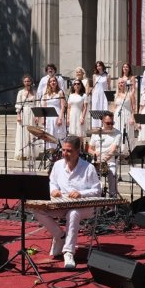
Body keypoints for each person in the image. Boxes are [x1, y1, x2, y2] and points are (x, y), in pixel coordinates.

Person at [32, 136, 101, 269]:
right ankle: (61, 236)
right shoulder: (58, 165)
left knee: (73, 213)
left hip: (85, 206)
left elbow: (97, 190)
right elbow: (52, 182)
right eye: (63, 150)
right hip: (63, 204)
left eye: (68, 151)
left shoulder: (88, 168)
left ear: (77, 151)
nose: (64, 153)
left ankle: (69, 252)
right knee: (38, 209)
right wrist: (54, 190)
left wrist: (81, 193)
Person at [87, 112, 121, 197]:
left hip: (109, 161)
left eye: (112, 123)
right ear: (102, 121)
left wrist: (103, 160)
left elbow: (112, 150)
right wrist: (94, 153)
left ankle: (112, 201)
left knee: (112, 173)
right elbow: (89, 149)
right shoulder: (96, 132)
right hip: (96, 160)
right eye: (108, 123)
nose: (110, 125)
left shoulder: (117, 133)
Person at [15, 74, 38, 161]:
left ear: (31, 82)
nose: (26, 83)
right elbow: (18, 104)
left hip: (32, 113)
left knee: (31, 133)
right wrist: (18, 115)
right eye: (25, 81)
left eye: (28, 81)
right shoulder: (20, 92)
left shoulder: (35, 92)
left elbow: (37, 104)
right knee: (23, 133)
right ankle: (23, 153)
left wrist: (37, 115)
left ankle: (31, 154)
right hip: (24, 113)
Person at [112, 77, 136, 156]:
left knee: (127, 133)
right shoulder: (116, 95)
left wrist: (132, 118)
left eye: (122, 82)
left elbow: (133, 107)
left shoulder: (130, 94)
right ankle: (119, 152)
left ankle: (126, 154)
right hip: (117, 117)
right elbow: (114, 107)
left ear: (125, 84)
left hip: (127, 115)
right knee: (118, 133)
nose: (120, 84)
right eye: (119, 83)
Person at [41, 75, 66, 150]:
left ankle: (58, 153)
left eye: (54, 81)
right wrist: (43, 118)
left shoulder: (60, 92)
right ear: (49, 83)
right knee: (49, 134)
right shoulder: (46, 94)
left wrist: (60, 118)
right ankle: (50, 154)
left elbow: (62, 107)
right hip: (48, 117)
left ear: (57, 82)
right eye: (51, 81)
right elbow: (44, 107)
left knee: (57, 135)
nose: (53, 82)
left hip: (57, 116)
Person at [90, 61, 111, 128]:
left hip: (104, 95)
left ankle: (104, 125)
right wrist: (92, 96)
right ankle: (96, 126)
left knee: (104, 109)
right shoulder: (94, 76)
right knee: (96, 109)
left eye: (99, 65)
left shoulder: (107, 75)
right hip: (96, 95)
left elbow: (109, 86)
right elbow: (94, 87)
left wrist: (109, 97)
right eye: (97, 66)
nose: (98, 67)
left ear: (102, 66)